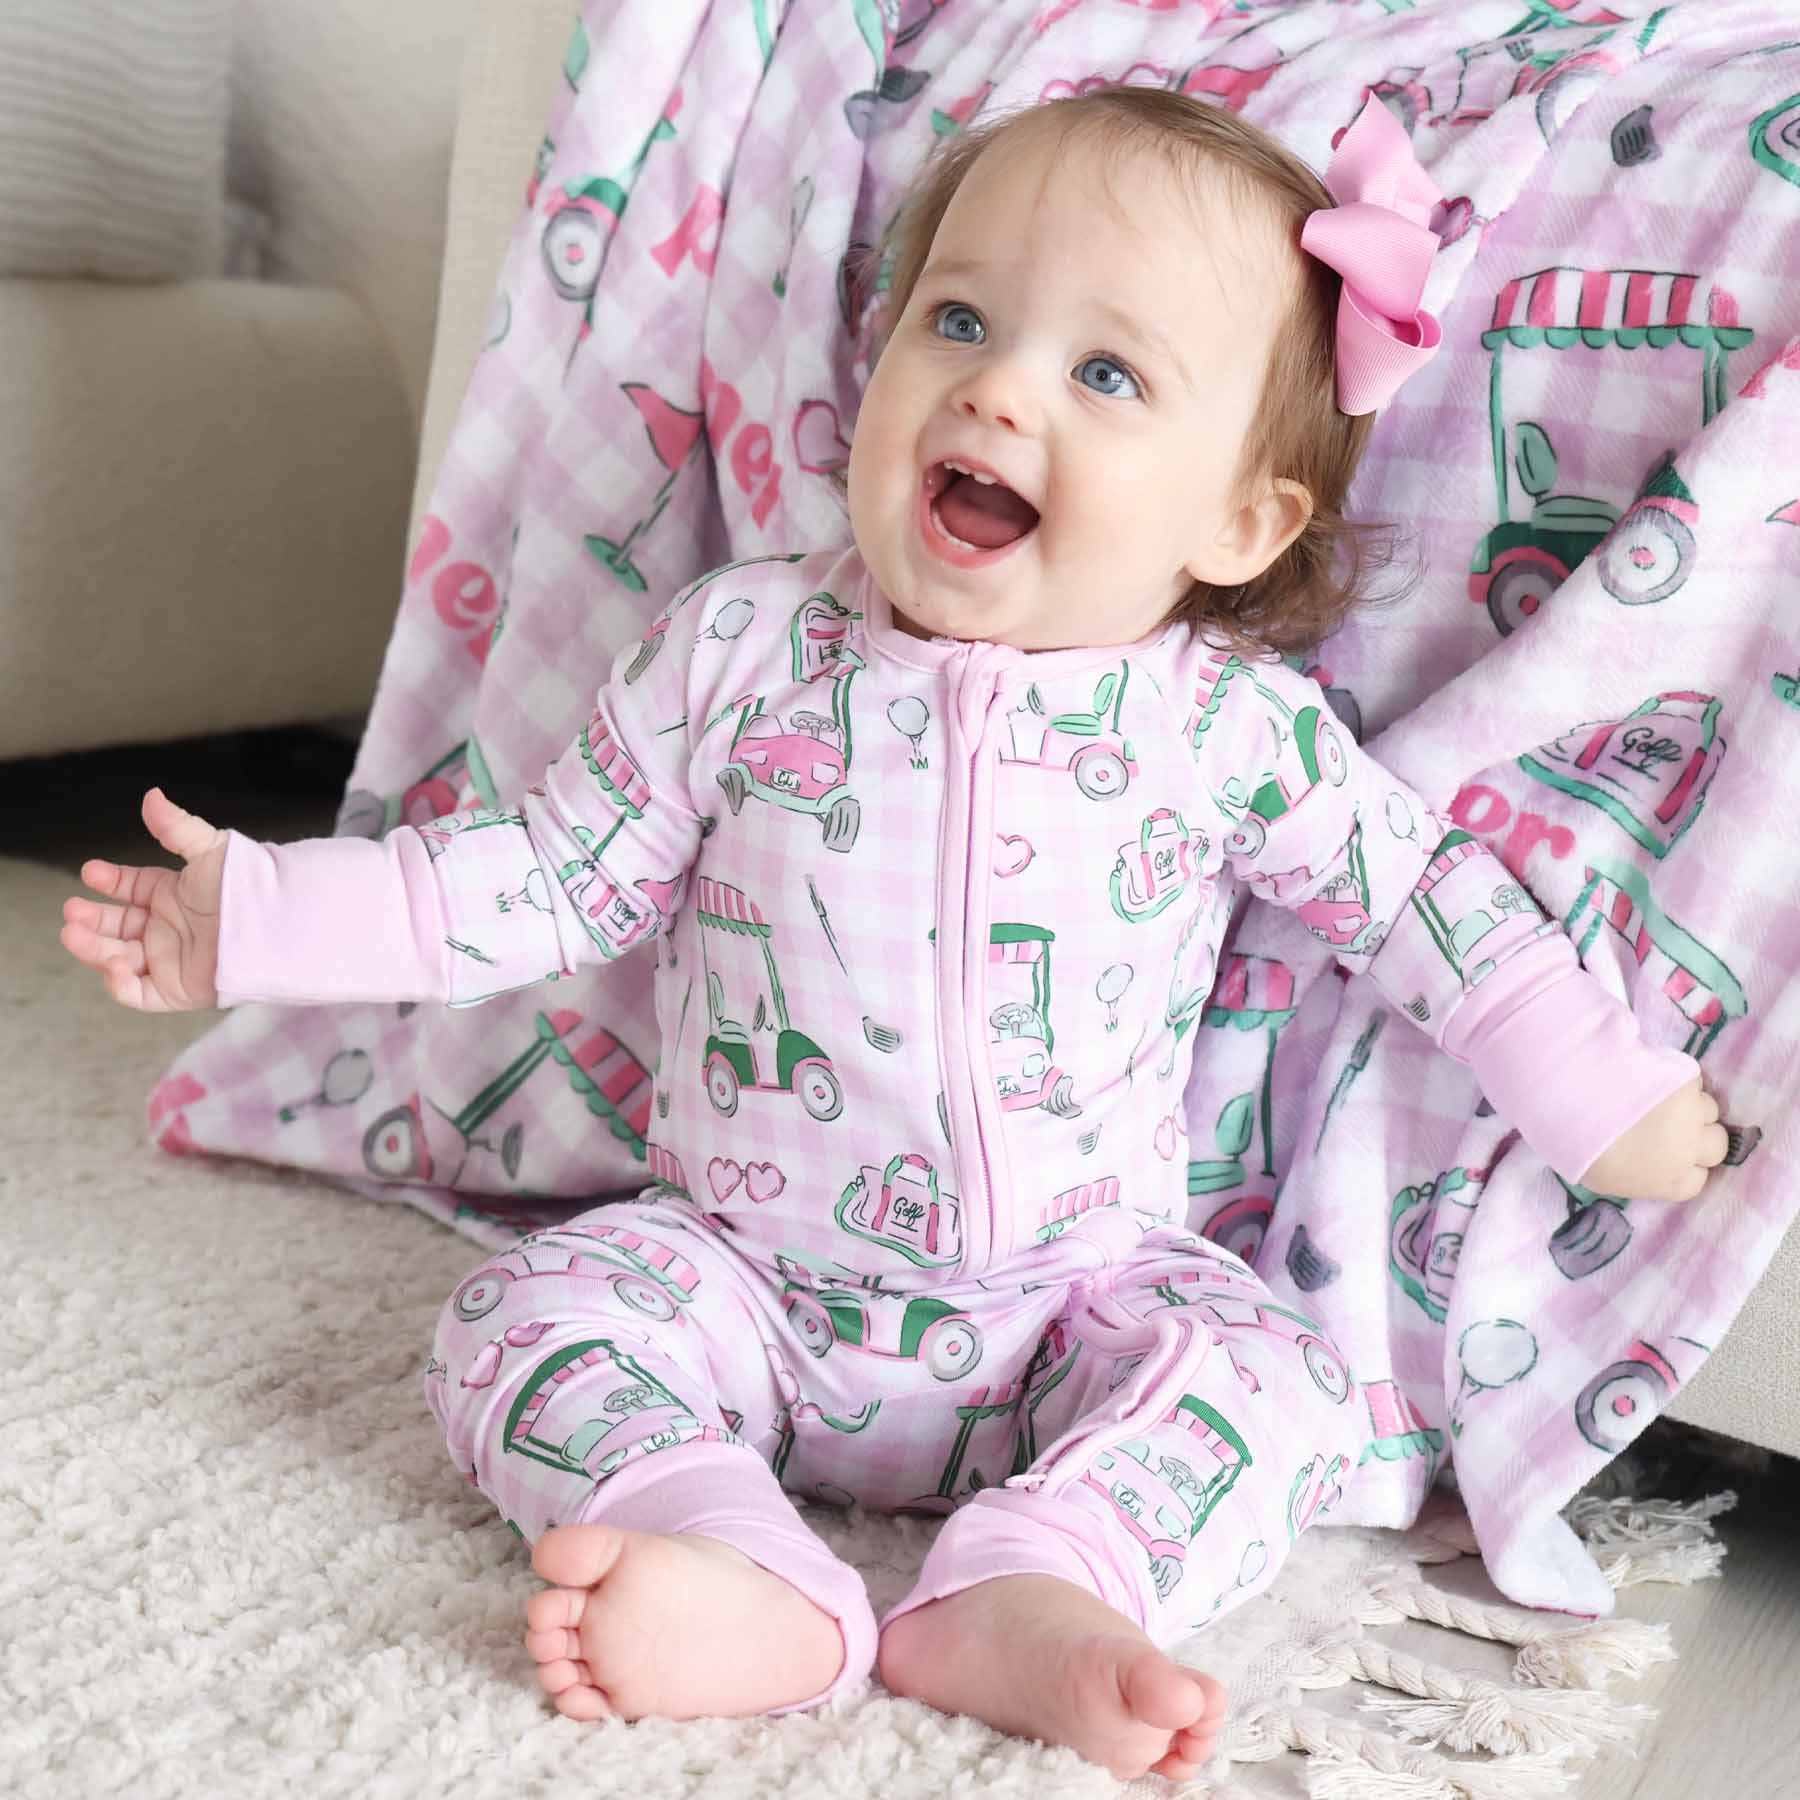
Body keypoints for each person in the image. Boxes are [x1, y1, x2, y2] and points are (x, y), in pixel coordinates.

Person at [59, 88, 1729, 1783]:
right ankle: (719, 1545)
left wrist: (1597, 1088)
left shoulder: (1228, 728)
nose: (997, 388)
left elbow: (1425, 902)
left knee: (1277, 1388)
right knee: (519, 1319)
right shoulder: (741, 650)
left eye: (1107, 374)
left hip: (1072, 1301)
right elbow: (549, 874)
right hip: (740, 1275)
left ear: (1238, 523)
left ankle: (1042, 1581)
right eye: (962, 320)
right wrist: (261, 915)